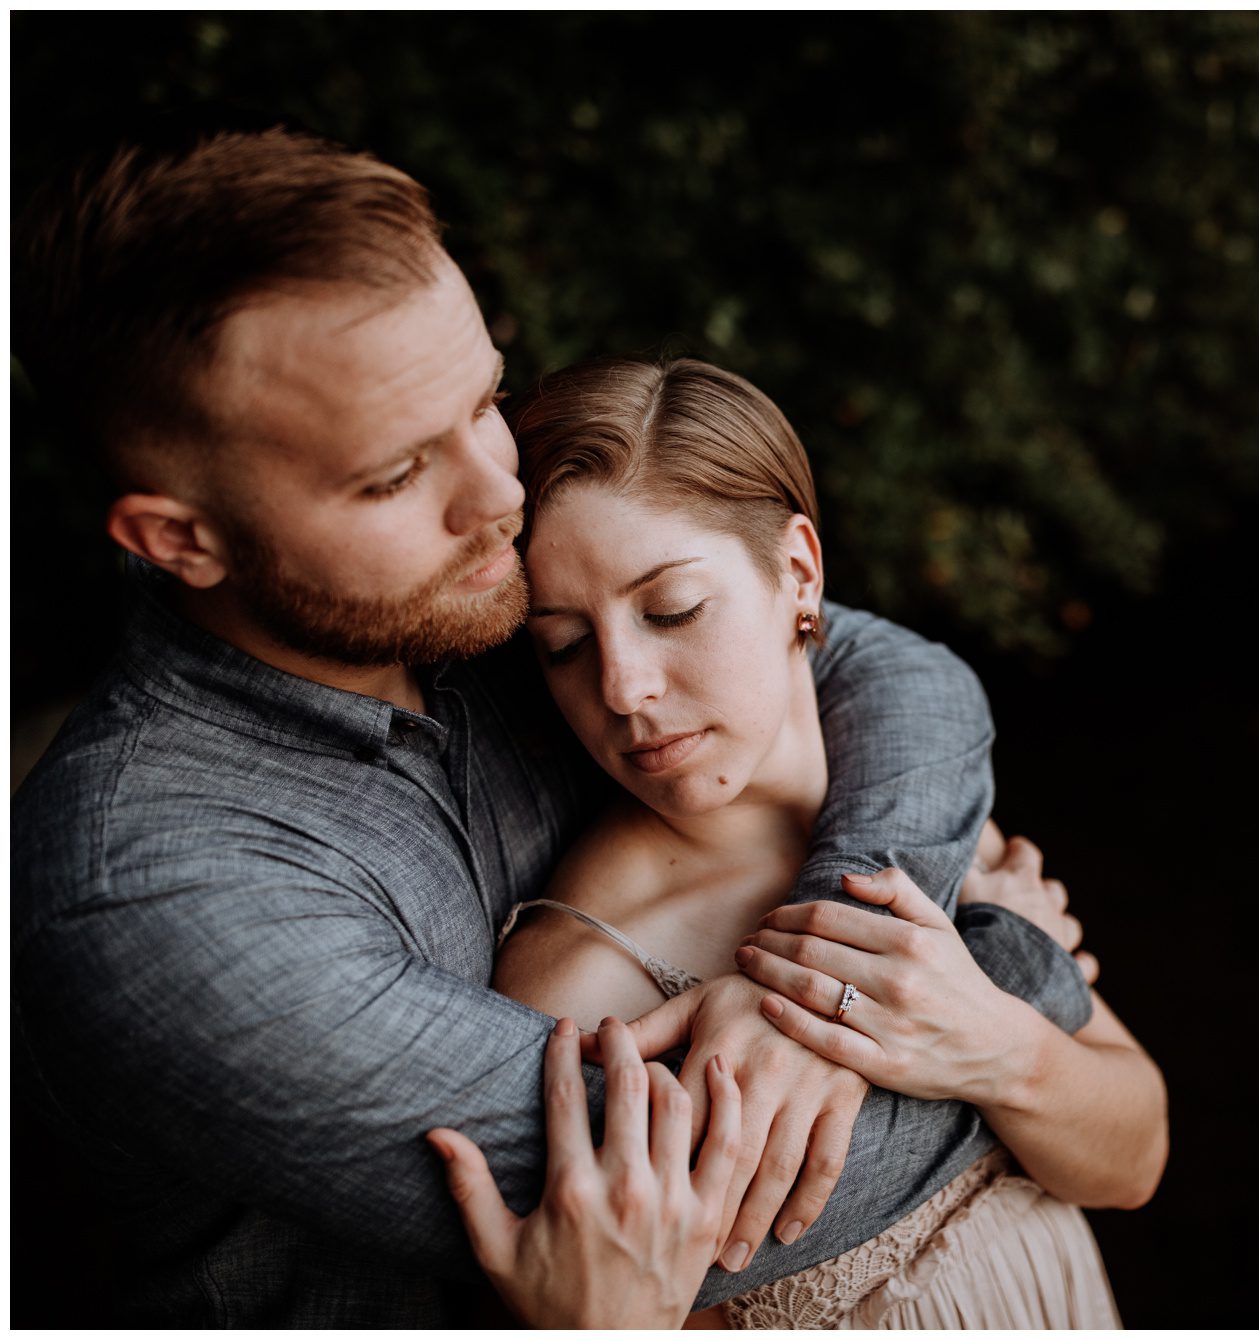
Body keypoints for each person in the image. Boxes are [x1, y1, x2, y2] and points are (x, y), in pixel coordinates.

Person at [9, 125, 1092, 1326]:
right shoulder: (154, 891)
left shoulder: (476, 591)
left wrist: (837, 957)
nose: (499, 493)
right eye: (393, 475)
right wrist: (1000, 969)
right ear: (179, 540)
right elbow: (702, 1204)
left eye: (485, 398)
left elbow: (879, 660)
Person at [435, 356, 1168, 1325]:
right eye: (564, 643)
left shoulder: (906, 822)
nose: (622, 687)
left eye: (671, 610)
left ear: (798, 571)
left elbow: (1133, 1156)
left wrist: (988, 1036)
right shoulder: (579, 986)